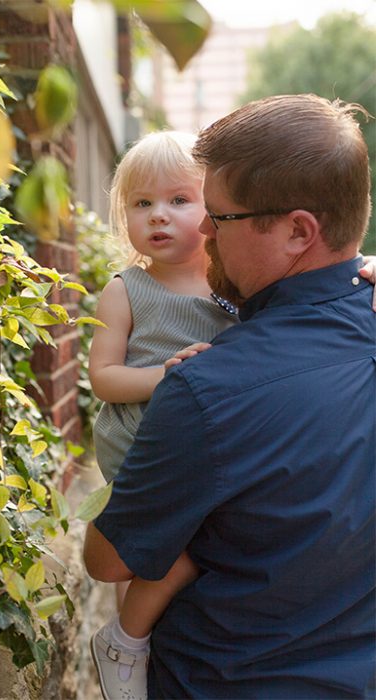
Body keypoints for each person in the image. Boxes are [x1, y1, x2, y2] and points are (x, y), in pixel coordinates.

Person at [84, 94, 375, 698]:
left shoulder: (206, 391)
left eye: (222, 217)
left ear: (299, 230)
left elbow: (108, 562)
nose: (204, 232)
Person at [87, 130, 237, 699]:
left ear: (214, 208)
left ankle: (136, 641)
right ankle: (127, 641)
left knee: (189, 550)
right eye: (141, 203)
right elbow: (104, 378)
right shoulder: (127, 289)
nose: (159, 216)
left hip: (210, 442)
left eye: (179, 200)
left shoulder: (232, 287)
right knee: (162, 553)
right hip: (141, 442)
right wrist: (169, 376)